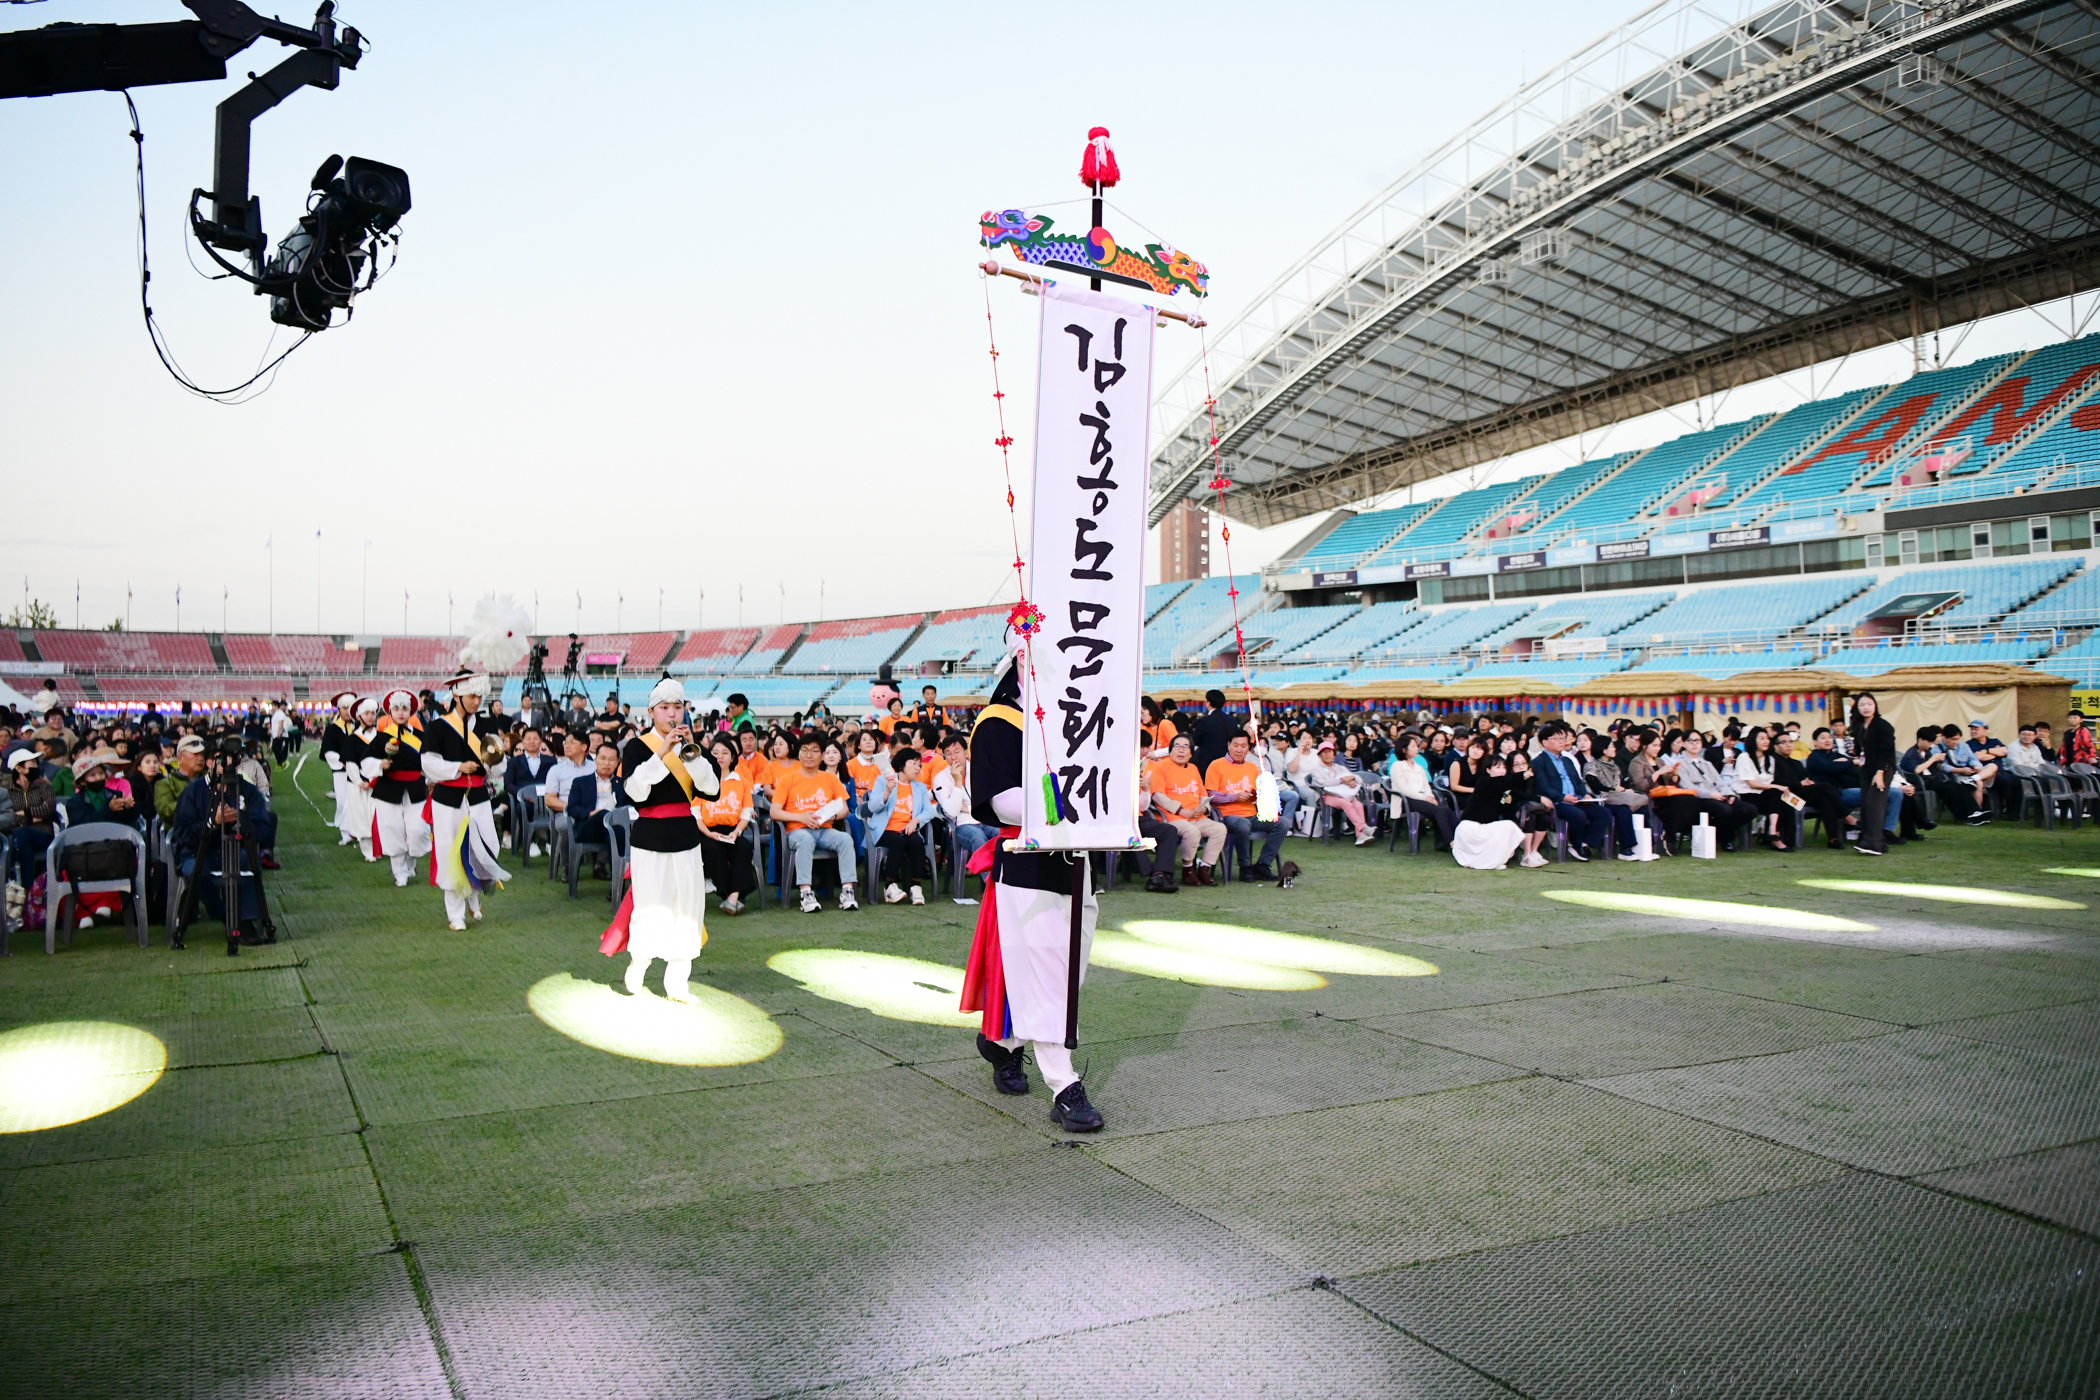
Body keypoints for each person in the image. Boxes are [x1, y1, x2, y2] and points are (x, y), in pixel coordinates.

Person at [957, 639, 1103, 1133]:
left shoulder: (1074, 714)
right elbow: (1001, 801)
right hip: (1026, 861)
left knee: (1068, 971)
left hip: (1077, 856)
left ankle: (1003, 1043)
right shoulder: (999, 721)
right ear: (1022, 657)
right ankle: (1064, 1086)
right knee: (1047, 972)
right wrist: (1072, 798)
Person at [600, 677, 720, 1001]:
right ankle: (638, 963)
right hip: (649, 835)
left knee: (689, 908)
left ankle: (677, 981)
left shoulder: (692, 747)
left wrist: (691, 756)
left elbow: (712, 790)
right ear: (652, 712)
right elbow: (633, 791)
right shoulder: (637, 747)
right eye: (665, 708)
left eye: (677, 708)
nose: (672, 714)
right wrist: (662, 753)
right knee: (651, 904)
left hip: (685, 833)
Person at [421, 669, 511, 930]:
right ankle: (456, 914)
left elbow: (497, 767)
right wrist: (459, 767)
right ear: (457, 695)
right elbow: (428, 762)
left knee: (486, 847)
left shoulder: (484, 726)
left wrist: (494, 761)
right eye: (471, 696)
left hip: (479, 795)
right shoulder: (438, 726)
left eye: (479, 696)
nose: (476, 701)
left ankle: (473, 894)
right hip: (448, 797)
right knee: (451, 851)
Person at [169, 743, 273, 947]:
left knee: (249, 863)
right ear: (209, 763)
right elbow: (182, 833)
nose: (228, 764)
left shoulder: (246, 790)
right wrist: (212, 823)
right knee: (194, 871)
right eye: (222, 759)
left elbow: (263, 828)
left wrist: (239, 821)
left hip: (237, 848)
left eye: (233, 759)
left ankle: (246, 920)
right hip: (199, 851)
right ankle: (226, 916)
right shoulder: (193, 792)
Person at [775, 733, 858, 912]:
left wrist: (831, 818)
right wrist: (801, 817)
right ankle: (806, 893)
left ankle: (847, 891)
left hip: (825, 829)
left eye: (814, 751)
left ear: (821, 756)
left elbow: (844, 809)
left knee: (845, 839)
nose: (809, 755)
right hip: (798, 831)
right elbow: (774, 812)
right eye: (804, 751)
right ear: (799, 754)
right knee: (806, 840)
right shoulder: (787, 779)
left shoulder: (830, 779)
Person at [1534, 721, 1625, 860]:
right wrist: (1563, 797)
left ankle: (1585, 843)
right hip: (1558, 802)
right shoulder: (1538, 761)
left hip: (1577, 799)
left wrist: (1585, 794)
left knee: (1604, 814)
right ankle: (1576, 845)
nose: (1561, 742)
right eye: (1556, 739)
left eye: (1562, 738)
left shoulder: (1567, 760)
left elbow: (1578, 781)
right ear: (1544, 742)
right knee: (1578, 815)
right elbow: (1542, 786)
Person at [1147, 733, 1226, 884]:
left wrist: (1205, 809)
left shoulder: (1193, 769)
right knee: (1192, 831)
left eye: (1185, 747)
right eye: (1177, 746)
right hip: (1173, 817)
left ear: (1191, 753)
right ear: (1170, 751)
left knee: (1219, 829)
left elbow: (1203, 794)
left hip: (1197, 816)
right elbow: (1157, 795)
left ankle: (1204, 868)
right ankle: (1188, 869)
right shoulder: (1161, 767)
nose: (1181, 751)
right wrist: (1180, 810)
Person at [1207, 731, 1284, 881]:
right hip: (1226, 815)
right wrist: (1234, 797)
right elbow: (1210, 795)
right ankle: (1245, 867)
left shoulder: (1252, 768)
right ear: (1229, 745)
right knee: (1242, 824)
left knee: (1282, 823)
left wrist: (1260, 795)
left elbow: (1258, 795)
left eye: (1243, 746)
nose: (1239, 749)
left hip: (1251, 813)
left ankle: (1263, 864)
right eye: (1235, 745)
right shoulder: (1216, 765)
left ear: (1249, 748)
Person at [1452, 752, 1548, 869]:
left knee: (1508, 826)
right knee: (1508, 826)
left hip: (1483, 827)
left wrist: (1506, 801)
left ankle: (1497, 860)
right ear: (1488, 770)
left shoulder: (1498, 787)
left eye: (1503, 767)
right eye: (1497, 767)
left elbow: (1501, 805)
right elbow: (1506, 781)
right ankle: (1492, 861)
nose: (1502, 770)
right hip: (1470, 828)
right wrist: (1524, 774)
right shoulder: (1485, 781)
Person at [696, 735, 758, 915]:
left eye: (725, 753)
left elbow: (746, 811)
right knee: (713, 849)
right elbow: (696, 813)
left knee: (744, 847)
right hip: (706, 831)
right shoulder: (701, 781)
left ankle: (733, 897)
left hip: (732, 831)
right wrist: (708, 833)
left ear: (733, 757)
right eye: (714, 753)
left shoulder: (741, 782)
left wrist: (737, 831)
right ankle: (731, 894)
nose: (719, 757)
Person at [867, 747, 935, 904]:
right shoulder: (883, 781)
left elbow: (929, 811)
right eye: (914, 764)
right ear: (902, 765)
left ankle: (916, 887)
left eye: (919, 765)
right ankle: (889, 886)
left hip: (907, 828)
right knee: (898, 842)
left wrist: (915, 820)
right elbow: (872, 807)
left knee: (917, 841)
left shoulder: (920, 787)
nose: (918, 768)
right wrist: (887, 793)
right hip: (885, 829)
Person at [1901, 725, 1985, 825]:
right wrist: (1933, 759)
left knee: (1957, 786)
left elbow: (1935, 768)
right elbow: (1917, 770)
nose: (1930, 745)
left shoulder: (1927, 752)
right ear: (1920, 739)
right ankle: (1966, 816)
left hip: (1932, 779)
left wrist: (1939, 762)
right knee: (1950, 788)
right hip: (1921, 781)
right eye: (1928, 742)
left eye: (1932, 742)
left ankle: (1975, 812)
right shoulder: (1911, 754)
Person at [1385, 732, 1455, 850]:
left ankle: (1458, 838)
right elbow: (1404, 789)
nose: (1417, 749)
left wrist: (1430, 796)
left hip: (1423, 798)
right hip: (1406, 800)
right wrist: (1425, 798)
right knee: (1438, 810)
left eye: (1416, 746)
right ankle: (1452, 842)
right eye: (1413, 746)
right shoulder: (1397, 766)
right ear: (1403, 749)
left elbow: (1426, 785)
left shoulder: (1418, 766)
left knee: (1445, 809)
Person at [1851, 692, 1899, 857]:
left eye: (1869, 704)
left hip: (1883, 767)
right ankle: (1872, 840)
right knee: (1865, 803)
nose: (1866, 708)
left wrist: (1880, 773)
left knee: (1875, 804)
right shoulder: (1858, 726)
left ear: (1875, 706)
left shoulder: (1883, 725)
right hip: (1866, 768)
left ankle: (1873, 843)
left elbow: (1887, 752)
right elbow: (1859, 748)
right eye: (1862, 705)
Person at [1306, 736, 1377, 844]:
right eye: (1324, 752)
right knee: (1346, 803)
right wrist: (1341, 780)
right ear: (1320, 755)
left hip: (1344, 794)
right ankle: (1363, 827)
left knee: (1358, 804)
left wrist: (1351, 779)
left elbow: (1358, 779)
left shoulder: (1339, 767)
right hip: (1326, 796)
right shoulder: (1316, 769)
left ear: (1334, 754)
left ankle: (1360, 835)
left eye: (1330, 752)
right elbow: (1323, 783)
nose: (1327, 754)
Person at [319, 690, 360, 846]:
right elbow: (328, 751)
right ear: (339, 709)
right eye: (344, 708)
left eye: (350, 708)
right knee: (343, 801)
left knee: (357, 801)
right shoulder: (332, 729)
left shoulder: (360, 727)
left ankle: (358, 832)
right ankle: (345, 832)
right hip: (341, 772)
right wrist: (344, 761)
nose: (347, 711)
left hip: (360, 771)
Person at [1188, 690, 1241, 775]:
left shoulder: (1204, 720)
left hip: (1207, 764)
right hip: (1227, 761)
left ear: (1208, 703)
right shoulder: (1232, 720)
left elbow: (1195, 740)